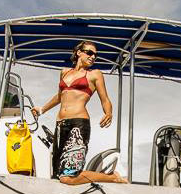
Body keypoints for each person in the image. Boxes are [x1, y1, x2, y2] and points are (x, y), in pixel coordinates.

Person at [31, 41, 127, 185]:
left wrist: (109, 112)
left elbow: (105, 99)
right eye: (89, 53)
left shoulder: (95, 74)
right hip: (60, 125)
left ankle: (113, 177)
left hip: (78, 125)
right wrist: (42, 109)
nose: (93, 57)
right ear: (78, 53)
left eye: (95, 55)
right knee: (57, 174)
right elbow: (60, 96)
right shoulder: (64, 72)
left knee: (68, 177)